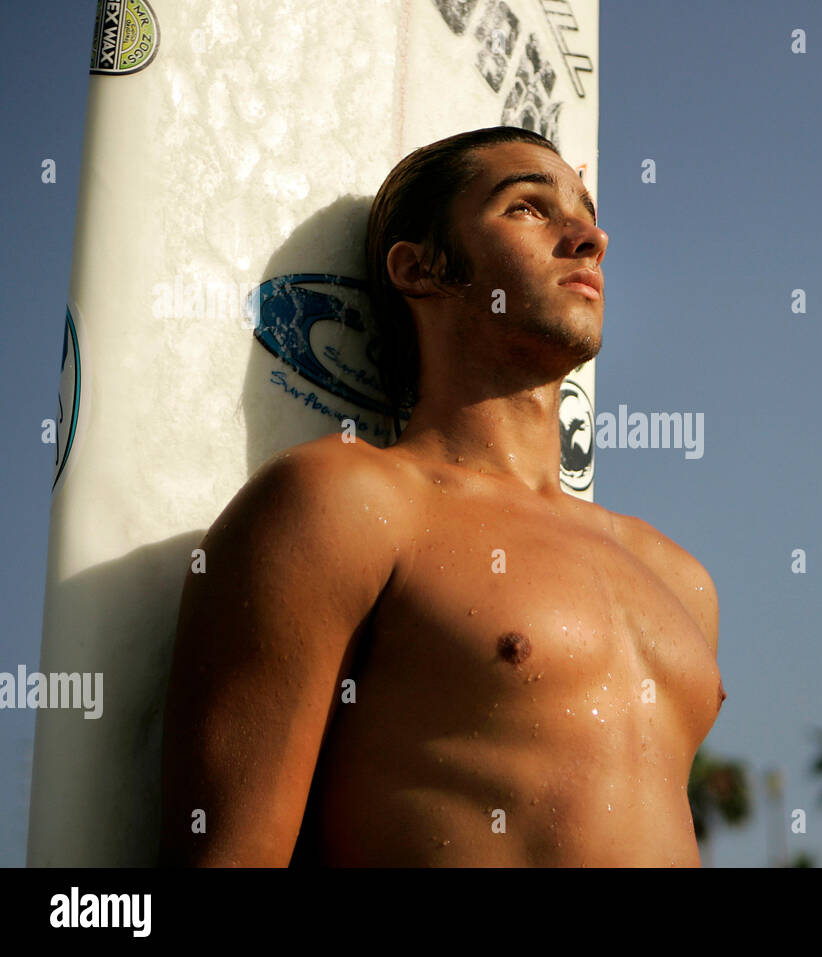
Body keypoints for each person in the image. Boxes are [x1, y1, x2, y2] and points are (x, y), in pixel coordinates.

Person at [159, 126, 724, 866]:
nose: (589, 236)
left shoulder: (679, 578)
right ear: (420, 269)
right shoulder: (344, 502)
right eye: (526, 207)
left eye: (584, 211)